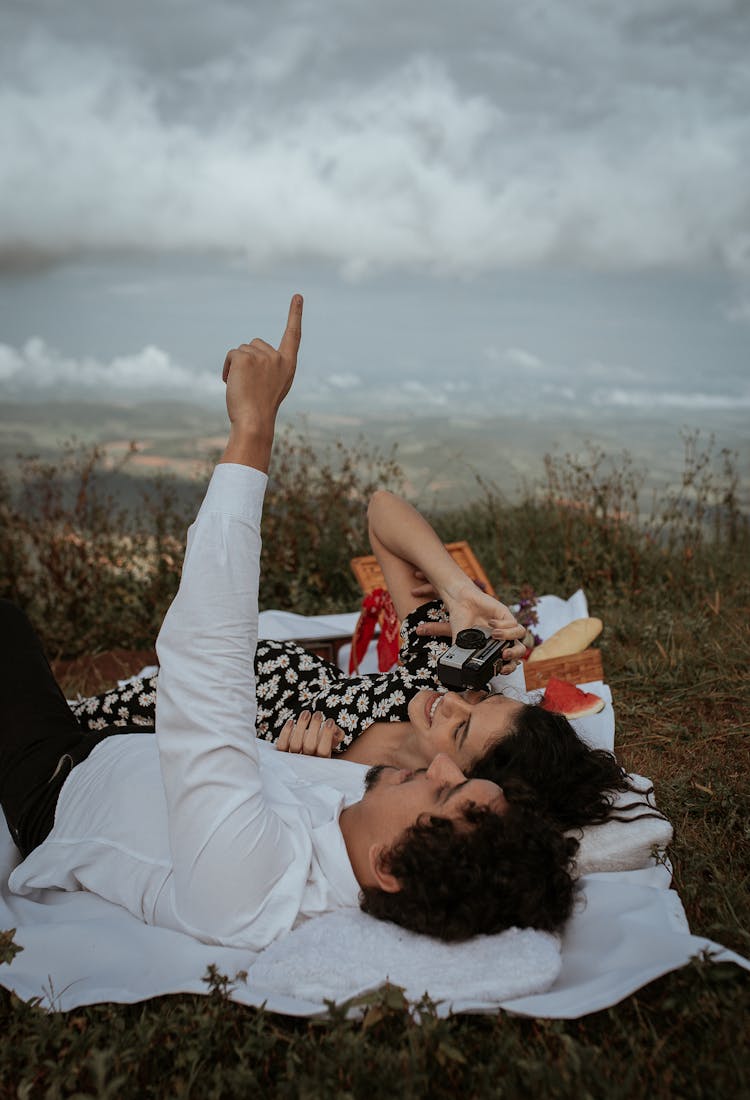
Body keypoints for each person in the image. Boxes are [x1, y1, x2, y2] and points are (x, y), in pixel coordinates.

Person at [0, 296, 577, 948]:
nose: (449, 771)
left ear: (389, 867)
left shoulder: (247, 881)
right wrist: (456, 591)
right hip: (120, 752)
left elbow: (205, 677)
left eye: (450, 793)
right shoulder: (365, 810)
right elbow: (384, 513)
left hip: (61, 778)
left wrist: (253, 430)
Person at [72, 491, 632, 833]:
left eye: (460, 731)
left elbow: (240, 811)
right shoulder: (431, 679)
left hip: (182, 716)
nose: (453, 704)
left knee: (66, 737)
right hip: (221, 659)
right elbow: (382, 511)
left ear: (456, 780)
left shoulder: (374, 797)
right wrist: (456, 590)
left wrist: (285, 769)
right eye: (479, 700)